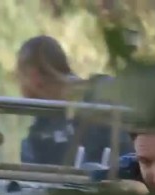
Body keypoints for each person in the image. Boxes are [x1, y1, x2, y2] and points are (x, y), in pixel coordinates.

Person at [15, 35, 134, 166]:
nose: (19, 85)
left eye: (19, 77)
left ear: (34, 76)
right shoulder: (40, 129)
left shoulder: (104, 95)